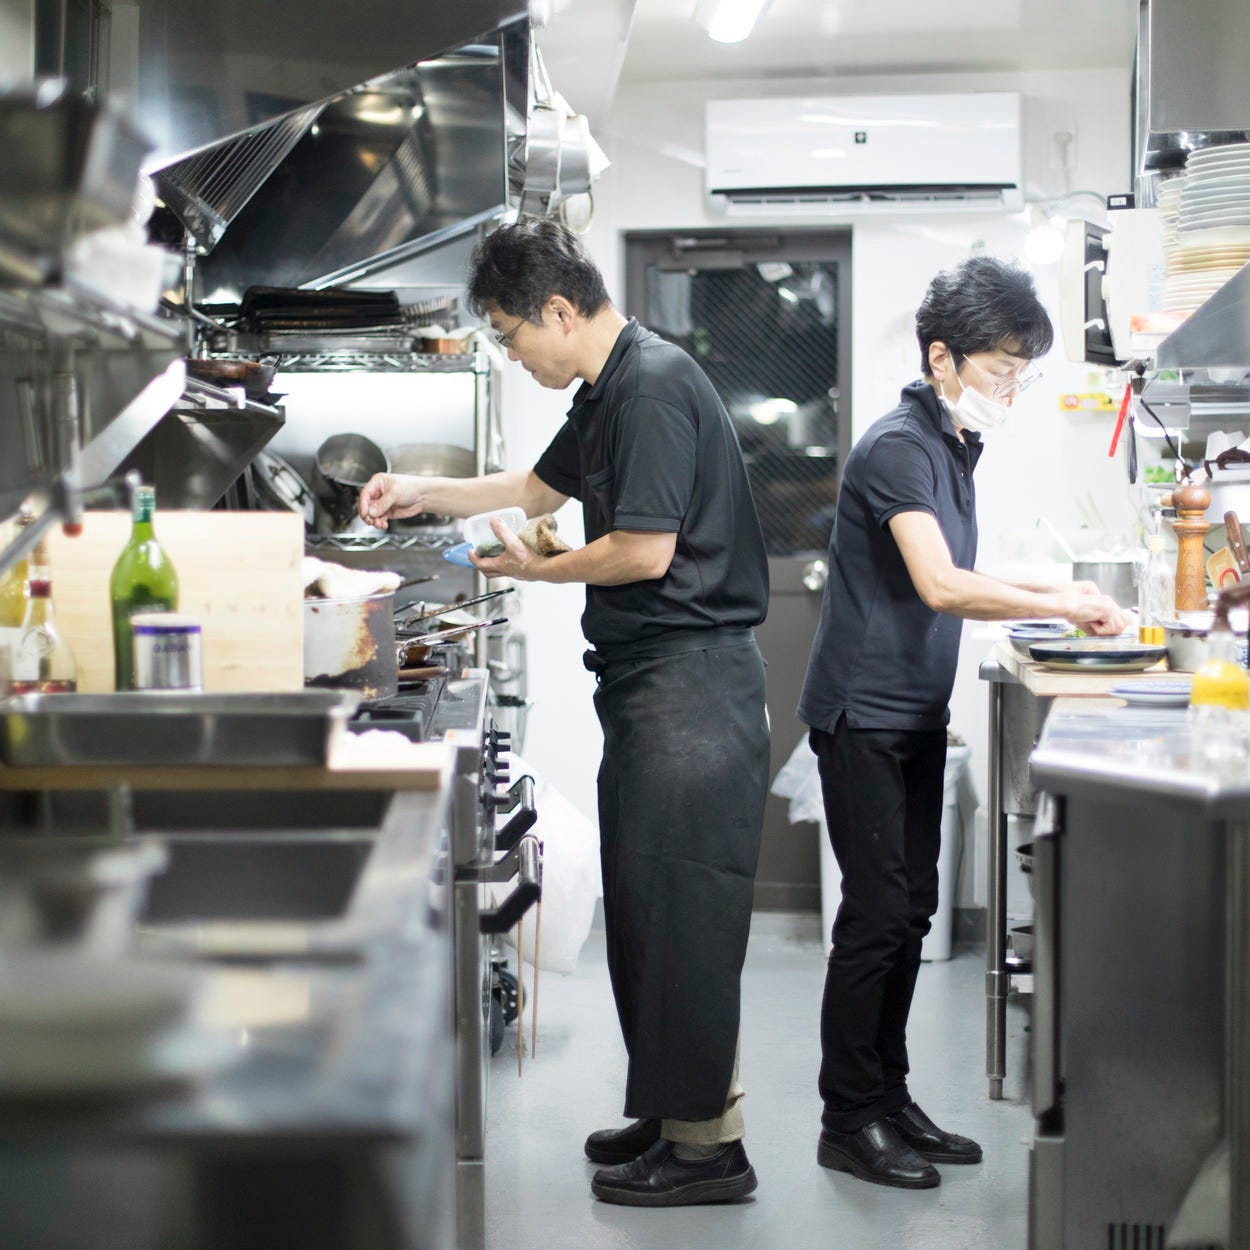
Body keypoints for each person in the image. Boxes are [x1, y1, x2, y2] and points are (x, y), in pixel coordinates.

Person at [358, 217, 771, 1208]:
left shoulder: (653, 387)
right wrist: (419, 492)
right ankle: (669, 1113)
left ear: (556, 309)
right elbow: (534, 490)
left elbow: (642, 552)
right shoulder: (606, 390)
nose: (512, 355)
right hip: (653, 685)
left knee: (683, 916)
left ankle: (709, 1152)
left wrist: (533, 569)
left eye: (509, 336)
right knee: (646, 909)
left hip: (693, 686)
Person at [797, 256, 1129, 1190]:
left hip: (910, 713)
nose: (1010, 390)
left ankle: (889, 1098)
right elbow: (941, 584)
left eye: (1022, 373)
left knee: (910, 912)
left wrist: (1054, 588)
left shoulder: (952, 442)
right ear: (941, 357)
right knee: (876, 919)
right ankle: (847, 1119)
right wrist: (1061, 606)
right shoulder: (898, 446)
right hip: (862, 715)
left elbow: (954, 569)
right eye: (1000, 370)